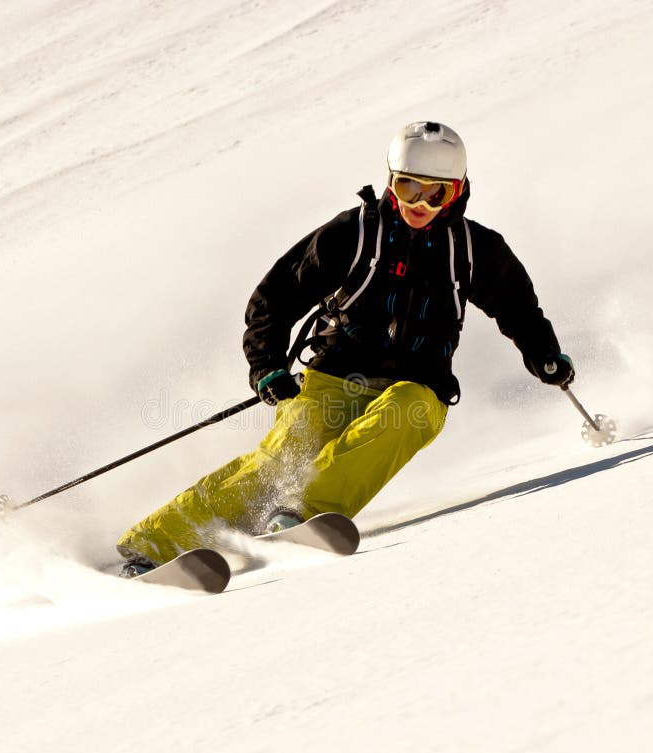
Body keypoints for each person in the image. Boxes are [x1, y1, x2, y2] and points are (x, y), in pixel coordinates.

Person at [116, 120, 574, 575]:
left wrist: (544, 355)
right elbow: (273, 298)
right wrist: (267, 366)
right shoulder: (355, 234)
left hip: (418, 385)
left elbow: (519, 310)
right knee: (286, 454)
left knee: (407, 413)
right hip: (334, 375)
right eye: (408, 187)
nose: (420, 204)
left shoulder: (475, 250)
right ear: (390, 181)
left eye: (436, 194)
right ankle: (154, 547)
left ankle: (302, 514)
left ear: (458, 192)